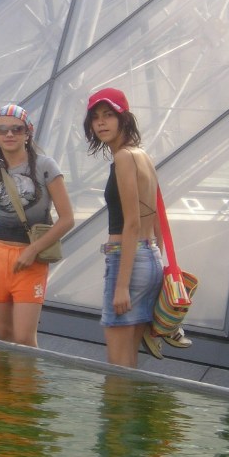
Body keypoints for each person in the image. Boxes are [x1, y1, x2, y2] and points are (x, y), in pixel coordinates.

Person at [0, 104, 74, 347]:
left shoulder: (45, 166)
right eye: (2, 130)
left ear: (28, 133)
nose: (9, 134)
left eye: (16, 129)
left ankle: (24, 376)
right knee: (0, 335)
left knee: (24, 339)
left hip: (30, 258)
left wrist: (32, 250)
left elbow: (67, 219)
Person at [84, 87, 168, 367]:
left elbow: (132, 222)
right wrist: (157, 260)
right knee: (129, 363)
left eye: (108, 115)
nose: (101, 123)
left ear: (124, 118)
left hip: (127, 261)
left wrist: (122, 285)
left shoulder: (123, 158)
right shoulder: (142, 155)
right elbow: (155, 215)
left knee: (117, 365)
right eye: (95, 117)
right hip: (149, 258)